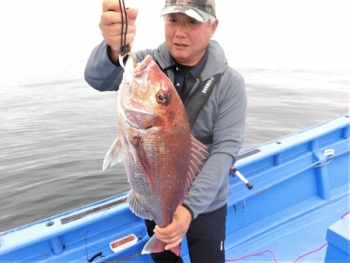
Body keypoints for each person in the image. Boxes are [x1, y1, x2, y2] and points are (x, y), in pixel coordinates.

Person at [84, 0, 246, 262]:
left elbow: (225, 151)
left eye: (192, 22)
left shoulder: (230, 83)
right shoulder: (146, 67)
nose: (179, 32)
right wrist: (113, 49)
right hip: (156, 198)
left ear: (213, 26)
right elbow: (97, 78)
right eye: (172, 20)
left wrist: (189, 209)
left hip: (208, 203)